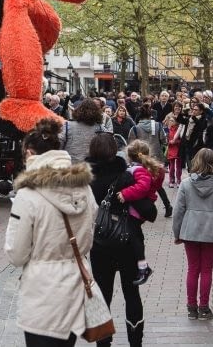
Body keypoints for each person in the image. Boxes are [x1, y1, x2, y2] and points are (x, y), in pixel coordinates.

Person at [5, 118, 98, 346]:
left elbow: (16, 254)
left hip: (42, 287)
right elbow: (91, 227)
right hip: (76, 279)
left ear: (29, 154)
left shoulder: (28, 195)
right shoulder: (84, 188)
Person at [85, 132, 144, 347]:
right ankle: (135, 342)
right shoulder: (126, 176)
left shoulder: (86, 180)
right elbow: (147, 210)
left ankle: (104, 343)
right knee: (132, 293)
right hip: (127, 242)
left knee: (103, 295)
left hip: (99, 244)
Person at [172, 148, 213, 321]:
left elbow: (178, 211)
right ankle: (204, 307)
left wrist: (177, 233)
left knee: (192, 269)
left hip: (190, 230)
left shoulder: (186, 184)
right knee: (206, 270)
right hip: (211, 233)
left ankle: (191, 308)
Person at [117, 139, 166, 285]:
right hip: (140, 207)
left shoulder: (138, 170)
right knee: (136, 235)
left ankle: (143, 267)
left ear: (130, 156)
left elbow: (142, 187)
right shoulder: (145, 169)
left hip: (136, 209)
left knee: (134, 237)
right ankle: (141, 266)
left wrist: (124, 194)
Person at [62, 97, 105, 164]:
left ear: (79, 110)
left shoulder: (67, 125)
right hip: (90, 167)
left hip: (71, 167)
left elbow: (58, 145)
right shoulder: (100, 128)